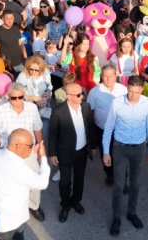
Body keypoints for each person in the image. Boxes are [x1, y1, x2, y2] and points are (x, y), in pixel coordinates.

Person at [102, 75, 148, 237]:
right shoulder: (117, 103)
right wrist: (106, 152)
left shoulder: (147, 103)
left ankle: (131, 212)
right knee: (119, 185)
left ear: (141, 90)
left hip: (139, 148)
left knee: (136, 183)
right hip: (120, 147)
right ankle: (116, 218)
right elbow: (108, 127)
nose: (133, 96)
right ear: (127, 88)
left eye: (136, 92)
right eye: (130, 91)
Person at [0, 83, 46, 223]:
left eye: (20, 97)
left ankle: (34, 206)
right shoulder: (0, 111)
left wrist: (40, 151)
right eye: (14, 98)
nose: (18, 101)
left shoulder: (32, 108)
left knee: (34, 181)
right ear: (8, 97)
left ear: (24, 96)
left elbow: (37, 130)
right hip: (8, 154)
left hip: (29, 151)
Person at [0, 128, 50, 239]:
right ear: (19, 146)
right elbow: (43, 183)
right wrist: (43, 157)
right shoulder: (20, 169)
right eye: (30, 146)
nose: (31, 149)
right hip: (13, 222)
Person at [48, 83, 97, 223]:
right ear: (68, 96)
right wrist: (52, 153)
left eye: (82, 93)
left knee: (79, 178)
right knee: (65, 182)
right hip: (65, 153)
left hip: (82, 151)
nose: (82, 96)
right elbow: (52, 134)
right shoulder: (58, 111)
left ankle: (76, 200)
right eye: (78, 95)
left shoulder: (86, 108)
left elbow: (91, 128)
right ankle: (65, 204)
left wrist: (93, 146)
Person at [87, 66, 128, 186]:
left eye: (111, 75)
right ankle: (109, 174)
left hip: (120, 130)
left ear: (115, 76)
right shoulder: (94, 92)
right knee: (106, 153)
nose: (109, 78)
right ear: (101, 77)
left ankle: (123, 180)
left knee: (121, 156)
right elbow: (90, 111)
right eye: (105, 76)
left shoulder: (123, 90)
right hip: (102, 130)